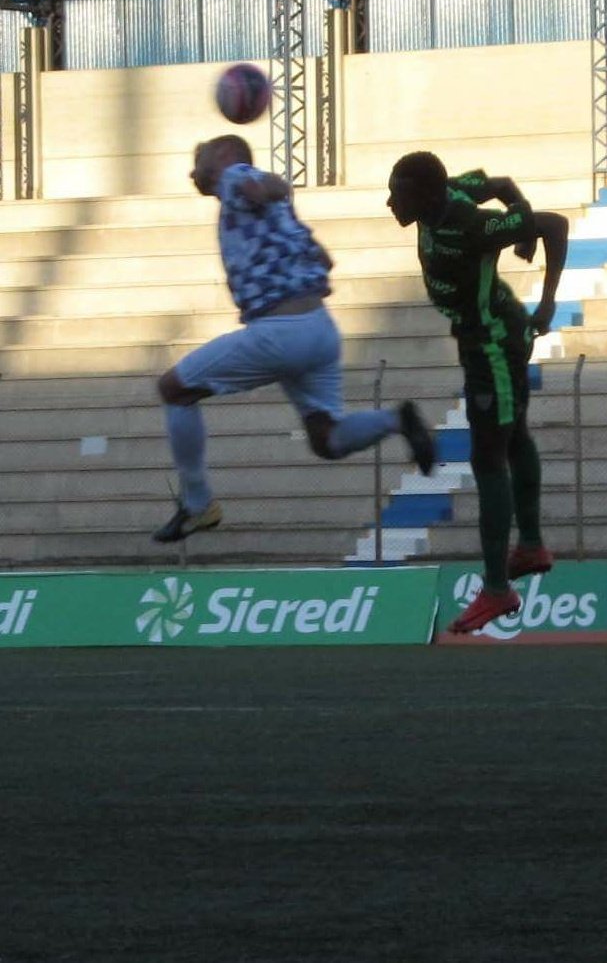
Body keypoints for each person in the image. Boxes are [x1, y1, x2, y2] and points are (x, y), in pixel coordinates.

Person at [154, 135, 434, 543]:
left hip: (279, 331)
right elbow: (324, 258)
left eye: (199, 159)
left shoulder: (235, 177)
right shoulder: (275, 217)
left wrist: (265, 186)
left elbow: (264, 186)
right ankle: (397, 420)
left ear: (224, 156)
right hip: (319, 328)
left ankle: (197, 505)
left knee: (174, 389)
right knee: (326, 439)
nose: (192, 171)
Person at [387, 151, 569, 635]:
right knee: (515, 437)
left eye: (397, 194)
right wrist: (522, 227)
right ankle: (530, 545)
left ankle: (496, 587)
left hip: (493, 348)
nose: (390, 203)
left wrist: (547, 301)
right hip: (484, 339)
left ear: (425, 196)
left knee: (488, 458)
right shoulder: (452, 192)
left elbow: (555, 225)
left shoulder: (470, 225)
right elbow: (501, 183)